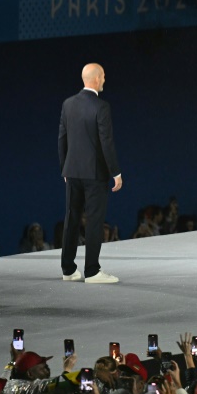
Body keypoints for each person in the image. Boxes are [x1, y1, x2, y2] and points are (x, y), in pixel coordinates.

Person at [58, 63, 122, 284]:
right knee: (94, 221)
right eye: (103, 76)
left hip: (72, 172)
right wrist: (116, 172)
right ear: (95, 79)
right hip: (94, 174)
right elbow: (106, 142)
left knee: (72, 218)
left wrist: (64, 168)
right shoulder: (101, 106)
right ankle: (92, 271)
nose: (104, 79)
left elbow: (62, 139)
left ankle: (68, 269)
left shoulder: (68, 104)